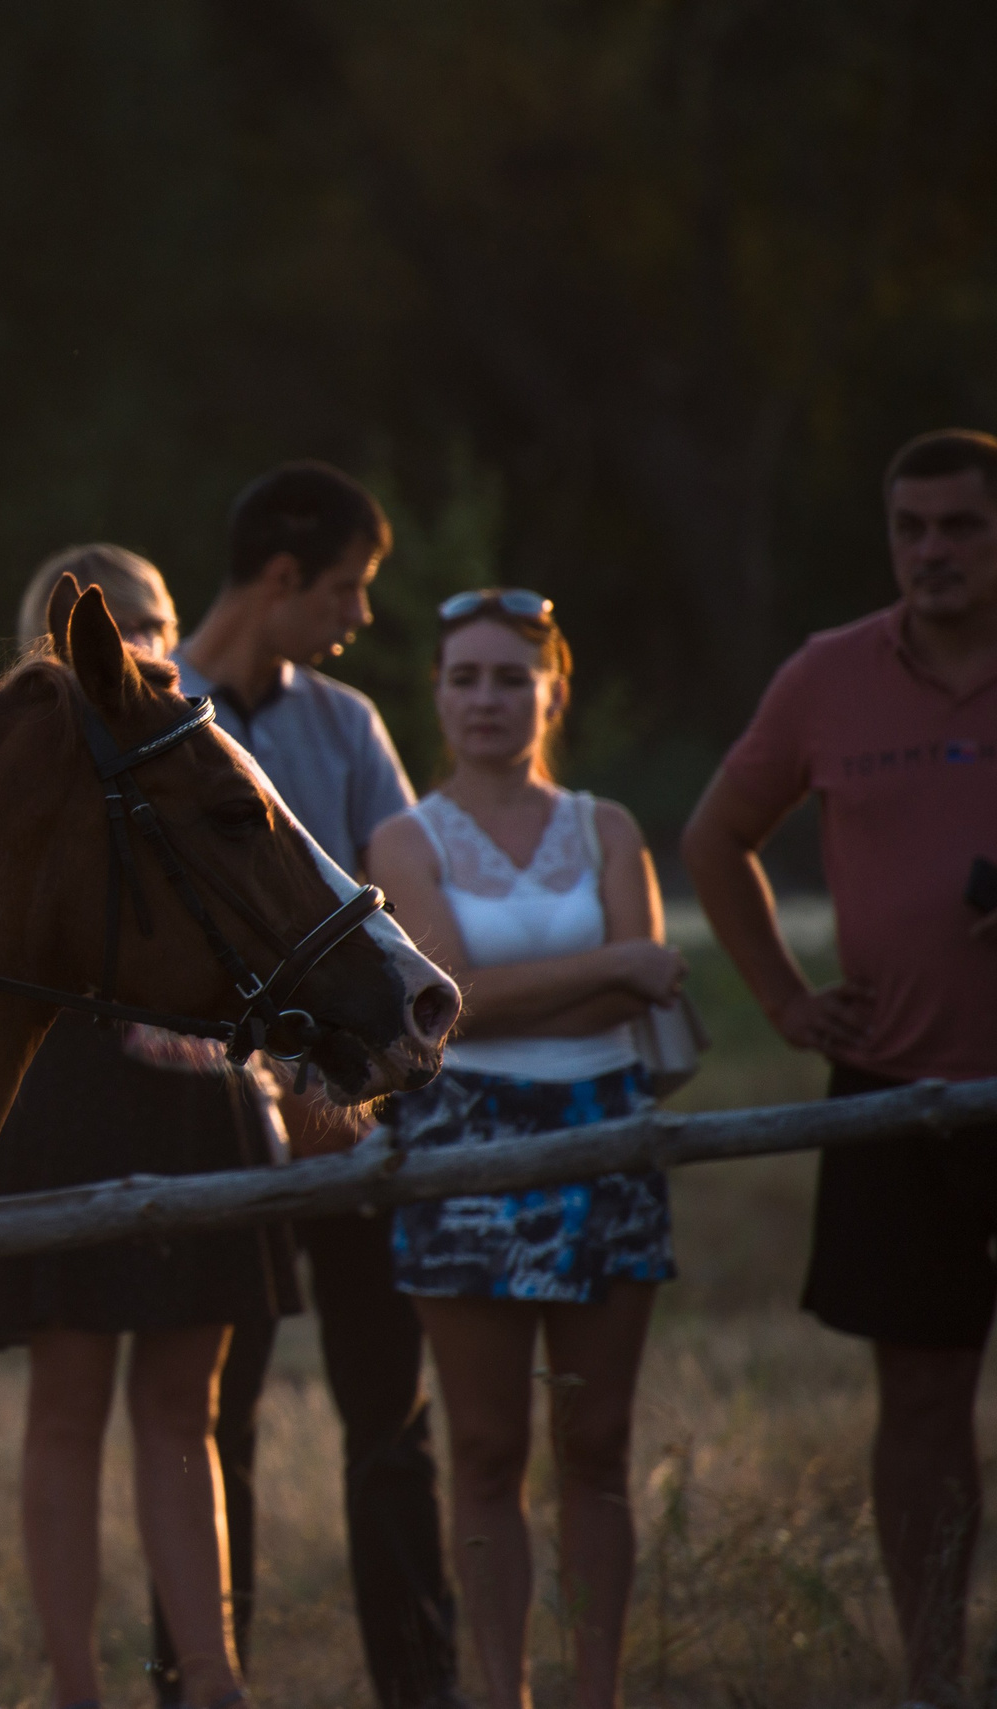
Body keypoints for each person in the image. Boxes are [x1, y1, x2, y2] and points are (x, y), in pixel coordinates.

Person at [682, 428, 997, 1708]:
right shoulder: (827, 677)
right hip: (897, 1099)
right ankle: (933, 1678)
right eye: (909, 527)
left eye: (960, 526)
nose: (931, 550)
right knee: (920, 1404)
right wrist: (786, 999)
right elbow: (714, 840)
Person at [0, 544, 299, 1709]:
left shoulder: (195, 758)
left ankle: (209, 1682)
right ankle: (72, 1688)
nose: (152, 641)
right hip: (63, 1102)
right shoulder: (34, 783)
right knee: (65, 1406)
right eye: (128, 627)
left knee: (184, 1406)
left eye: (162, 618)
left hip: (200, 1099)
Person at [175, 463, 462, 1709]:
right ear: (282, 578)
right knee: (207, 1420)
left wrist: (339, 1085)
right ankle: (197, 1676)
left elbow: (398, 915)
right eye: (346, 587)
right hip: (215, 1129)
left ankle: (421, 1682)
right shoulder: (161, 722)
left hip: (350, 1125)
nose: (356, 616)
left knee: (387, 1416)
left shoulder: (344, 726)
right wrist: (258, 1080)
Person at [369, 591, 685, 1709]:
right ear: (438, 695)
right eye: (464, 677)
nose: (487, 698)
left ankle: (591, 1689)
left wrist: (594, 979)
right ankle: (503, 1692)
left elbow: (651, 978)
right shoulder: (403, 838)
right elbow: (445, 1003)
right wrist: (609, 968)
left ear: (553, 691)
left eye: (511, 677)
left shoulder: (607, 825)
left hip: (606, 1125)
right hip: (465, 1140)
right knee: (487, 1446)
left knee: (595, 1439)